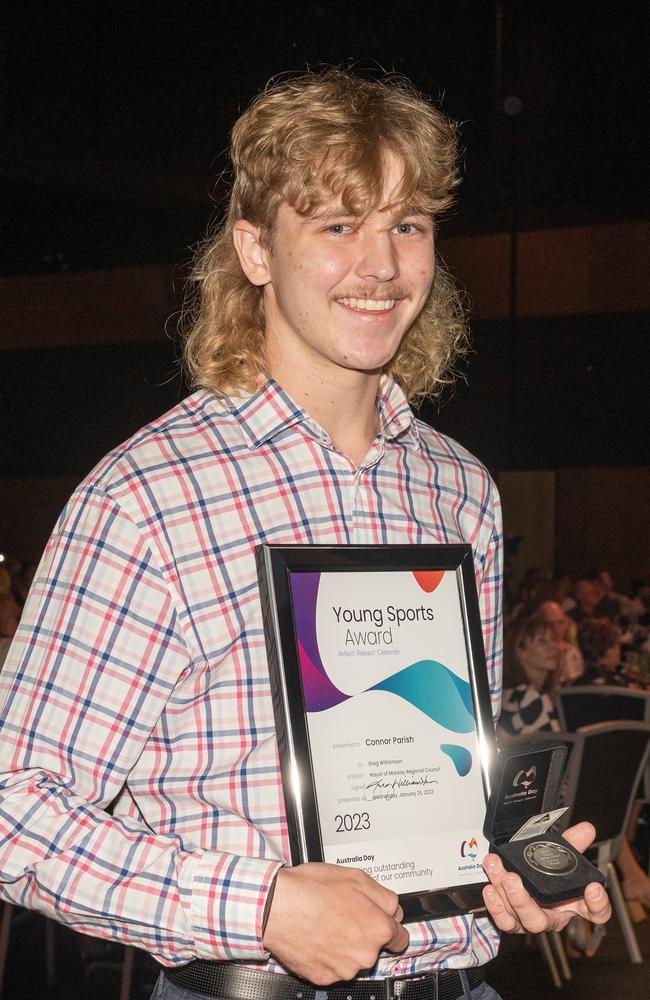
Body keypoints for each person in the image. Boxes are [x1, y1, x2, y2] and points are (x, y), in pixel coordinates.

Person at [0, 69, 609, 1000]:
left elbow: (448, 774)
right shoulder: (150, 496)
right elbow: (13, 810)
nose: (381, 264)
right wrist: (260, 906)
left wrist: (517, 867)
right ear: (253, 250)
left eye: (407, 224)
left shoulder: (458, 491)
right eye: (337, 225)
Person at [497, 617, 561, 740]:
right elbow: (556, 752)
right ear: (521, 652)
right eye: (541, 641)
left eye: (553, 639)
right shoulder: (529, 698)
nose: (553, 646)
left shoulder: (512, 694)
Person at [536, 600, 584, 683]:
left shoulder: (571, 652)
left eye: (561, 622)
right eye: (550, 623)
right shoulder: (534, 651)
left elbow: (575, 685)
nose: (555, 628)